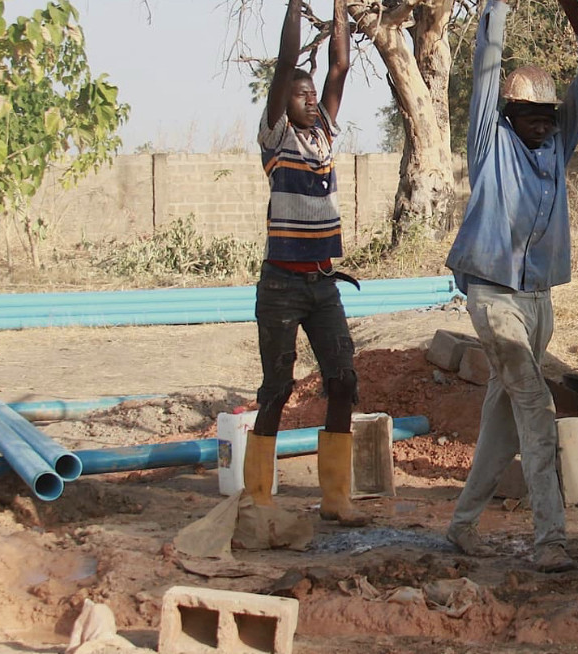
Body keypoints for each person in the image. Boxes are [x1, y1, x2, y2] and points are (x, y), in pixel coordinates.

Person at [444, 0, 578, 573]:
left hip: (538, 301)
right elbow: (487, 64)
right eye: (531, 112)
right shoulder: (490, 144)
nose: (543, 121)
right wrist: (497, 6)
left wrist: (575, 13)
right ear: (509, 111)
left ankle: (462, 525)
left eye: (549, 113)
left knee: (502, 421)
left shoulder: (558, 144)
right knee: (536, 407)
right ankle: (550, 538)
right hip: (492, 296)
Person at [243, 0, 368, 526]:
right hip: (280, 288)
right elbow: (284, 60)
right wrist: (296, 6)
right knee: (277, 387)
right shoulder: (276, 138)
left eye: (313, 94)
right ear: (283, 104)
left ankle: (335, 498)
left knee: (343, 381)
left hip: (322, 284)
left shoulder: (323, 135)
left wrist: (339, 7)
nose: (311, 99)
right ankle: (259, 500)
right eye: (301, 94)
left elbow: (338, 63)